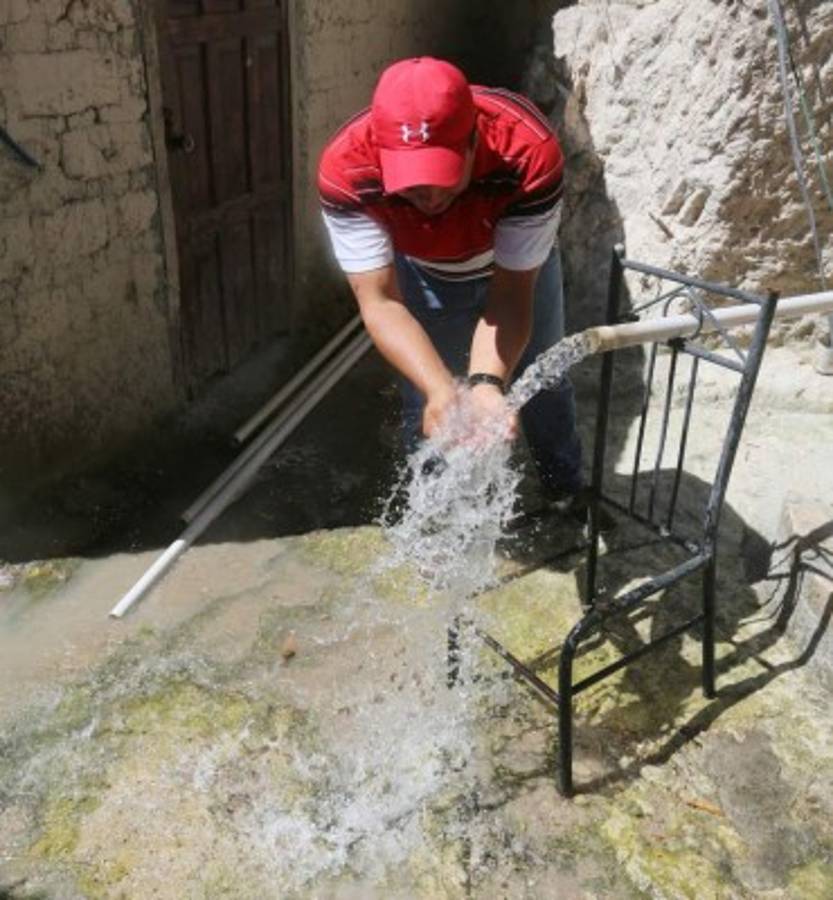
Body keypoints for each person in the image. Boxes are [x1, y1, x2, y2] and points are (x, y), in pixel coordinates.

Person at [318, 56, 583, 506]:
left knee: (545, 381)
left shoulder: (527, 151)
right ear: (380, 151)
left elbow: (511, 294)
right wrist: (441, 389)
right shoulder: (348, 171)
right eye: (411, 183)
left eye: (442, 175)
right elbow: (381, 302)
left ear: (475, 139)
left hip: (517, 269)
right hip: (424, 271)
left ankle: (565, 492)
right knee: (427, 402)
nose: (430, 196)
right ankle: (433, 514)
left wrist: (486, 383)